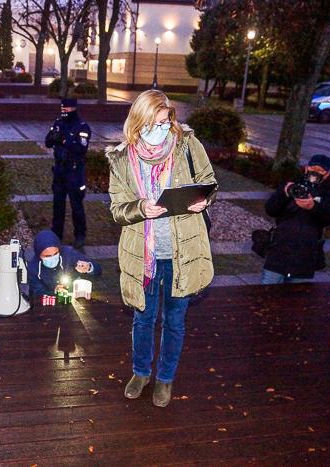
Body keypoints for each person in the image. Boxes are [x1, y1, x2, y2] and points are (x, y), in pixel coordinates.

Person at [107, 90, 216, 407]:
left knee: (175, 322)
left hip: (183, 251)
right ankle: (141, 372)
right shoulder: (122, 158)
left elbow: (209, 181)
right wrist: (141, 207)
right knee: (143, 320)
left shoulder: (187, 145)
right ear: (138, 123)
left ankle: (165, 380)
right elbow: (117, 210)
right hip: (145, 255)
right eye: (155, 123)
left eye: (166, 121)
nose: (162, 128)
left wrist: (202, 199)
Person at [261, 154, 330, 284]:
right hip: (279, 252)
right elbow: (270, 210)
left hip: (305, 257)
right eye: (313, 168)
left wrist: (313, 207)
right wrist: (284, 194)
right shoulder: (291, 186)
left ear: (326, 175)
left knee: (296, 301)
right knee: (266, 293)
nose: (315, 172)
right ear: (306, 169)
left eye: (321, 170)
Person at [45, 98, 92, 249]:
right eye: (62, 109)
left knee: (76, 205)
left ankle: (80, 235)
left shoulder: (82, 127)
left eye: (66, 110)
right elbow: (47, 142)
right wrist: (54, 137)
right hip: (59, 171)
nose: (63, 112)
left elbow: (81, 149)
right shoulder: (59, 123)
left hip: (74, 172)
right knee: (57, 204)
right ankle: (56, 233)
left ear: (73, 109)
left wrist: (66, 141)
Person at [27, 229, 102, 299]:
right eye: (47, 256)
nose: (52, 258)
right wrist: (53, 292)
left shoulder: (69, 253)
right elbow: (37, 293)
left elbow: (98, 270)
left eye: (56, 253)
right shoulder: (33, 268)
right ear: (39, 255)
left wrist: (89, 267)